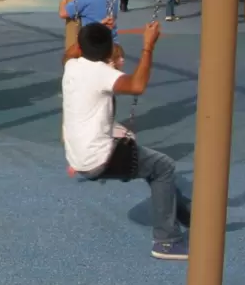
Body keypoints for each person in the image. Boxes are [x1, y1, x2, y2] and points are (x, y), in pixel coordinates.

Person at [62, 21, 191, 260]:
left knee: (151, 165)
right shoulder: (102, 73)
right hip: (100, 158)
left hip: (77, 156)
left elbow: (71, 51)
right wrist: (148, 47)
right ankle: (166, 241)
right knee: (163, 167)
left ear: (80, 47)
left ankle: (182, 213)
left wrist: (96, 28)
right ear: (110, 50)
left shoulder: (71, 65)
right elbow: (137, 85)